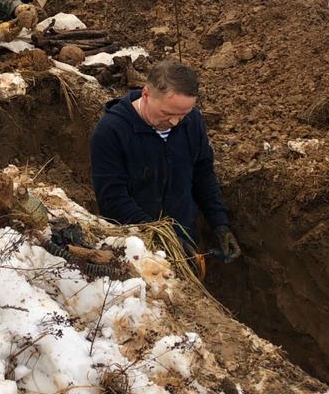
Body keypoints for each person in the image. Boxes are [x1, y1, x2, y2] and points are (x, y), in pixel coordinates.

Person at [89, 60, 240, 261]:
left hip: (185, 238)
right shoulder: (111, 132)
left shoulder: (192, 122)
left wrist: (220, 223)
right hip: (134, 248)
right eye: (167, 113)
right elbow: (113, 200)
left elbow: (203, 174)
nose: (175, 122)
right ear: (146, 94)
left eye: (183, 114)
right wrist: (165, 240)